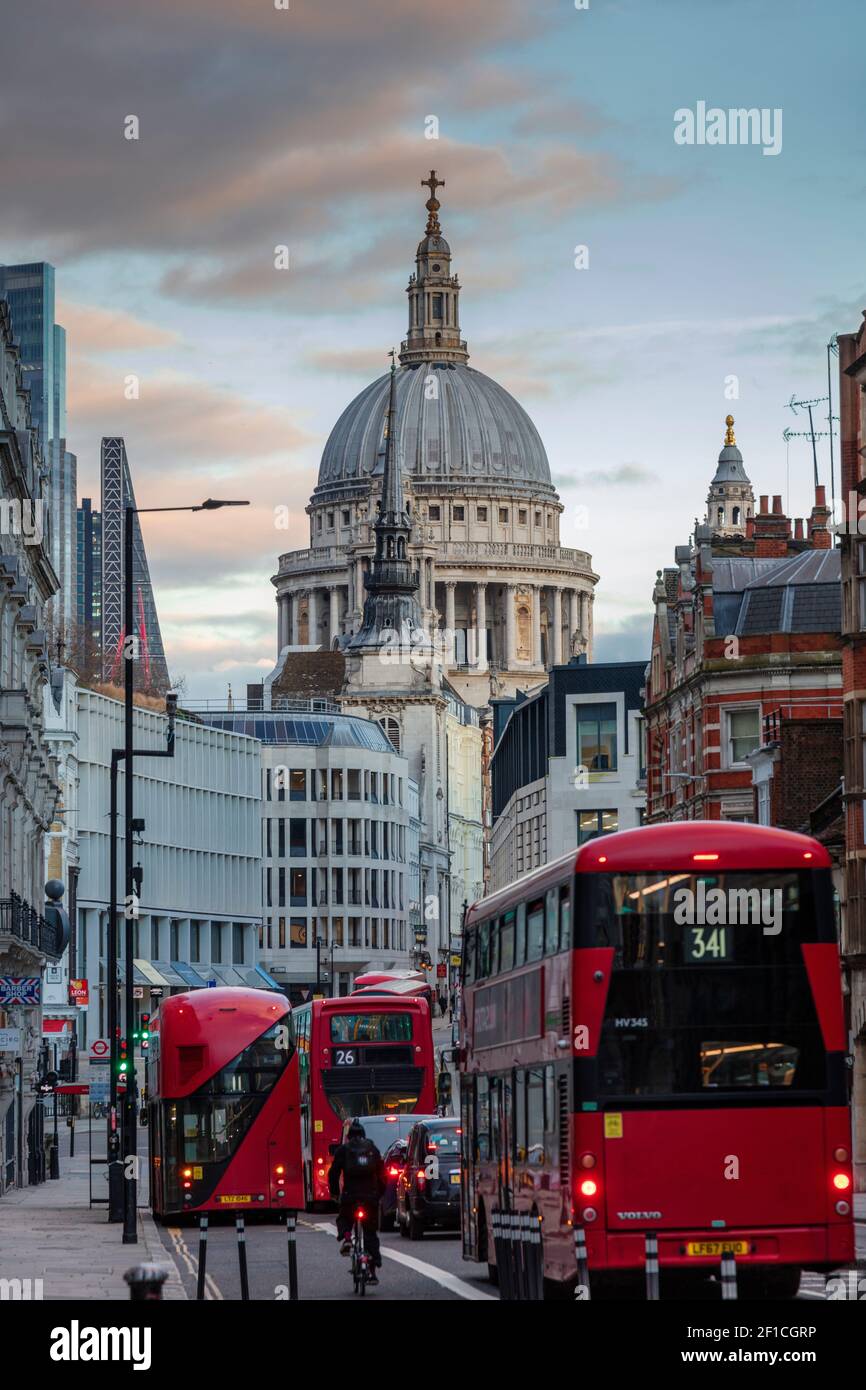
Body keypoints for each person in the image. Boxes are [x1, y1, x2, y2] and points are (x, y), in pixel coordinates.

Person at [328, 1121, 386, 1282]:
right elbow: (382, 1174)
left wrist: (334, 1193)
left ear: (348, 1136)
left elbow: (333, 1173)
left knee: (345, 1218)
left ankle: (347, 1237)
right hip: (370, 1196)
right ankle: (372, 1272)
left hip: (350, 1195)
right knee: (370, 1233)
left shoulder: (343, 1150)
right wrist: (378, 1194)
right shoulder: (371, 1148)